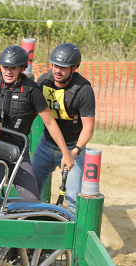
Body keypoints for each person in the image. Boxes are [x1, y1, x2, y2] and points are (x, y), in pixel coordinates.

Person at [0, 45, 74, 200]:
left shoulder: (32, 91)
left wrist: (66, 153)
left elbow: (50, 123)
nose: (8, 71)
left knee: (31, 200)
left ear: (22, 68)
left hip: (17, 151)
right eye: (5, 66)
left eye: (13, 68)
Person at [31, 43, 95, 212]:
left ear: (74, 68)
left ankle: (75, 236)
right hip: (45, 145)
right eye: (55, 65)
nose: (58, 70)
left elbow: (88, 128)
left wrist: (73, 153)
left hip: (73, 149)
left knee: (73, 199)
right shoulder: (43, 81)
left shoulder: (84, 90)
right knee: (31, 191)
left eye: (64, 67)